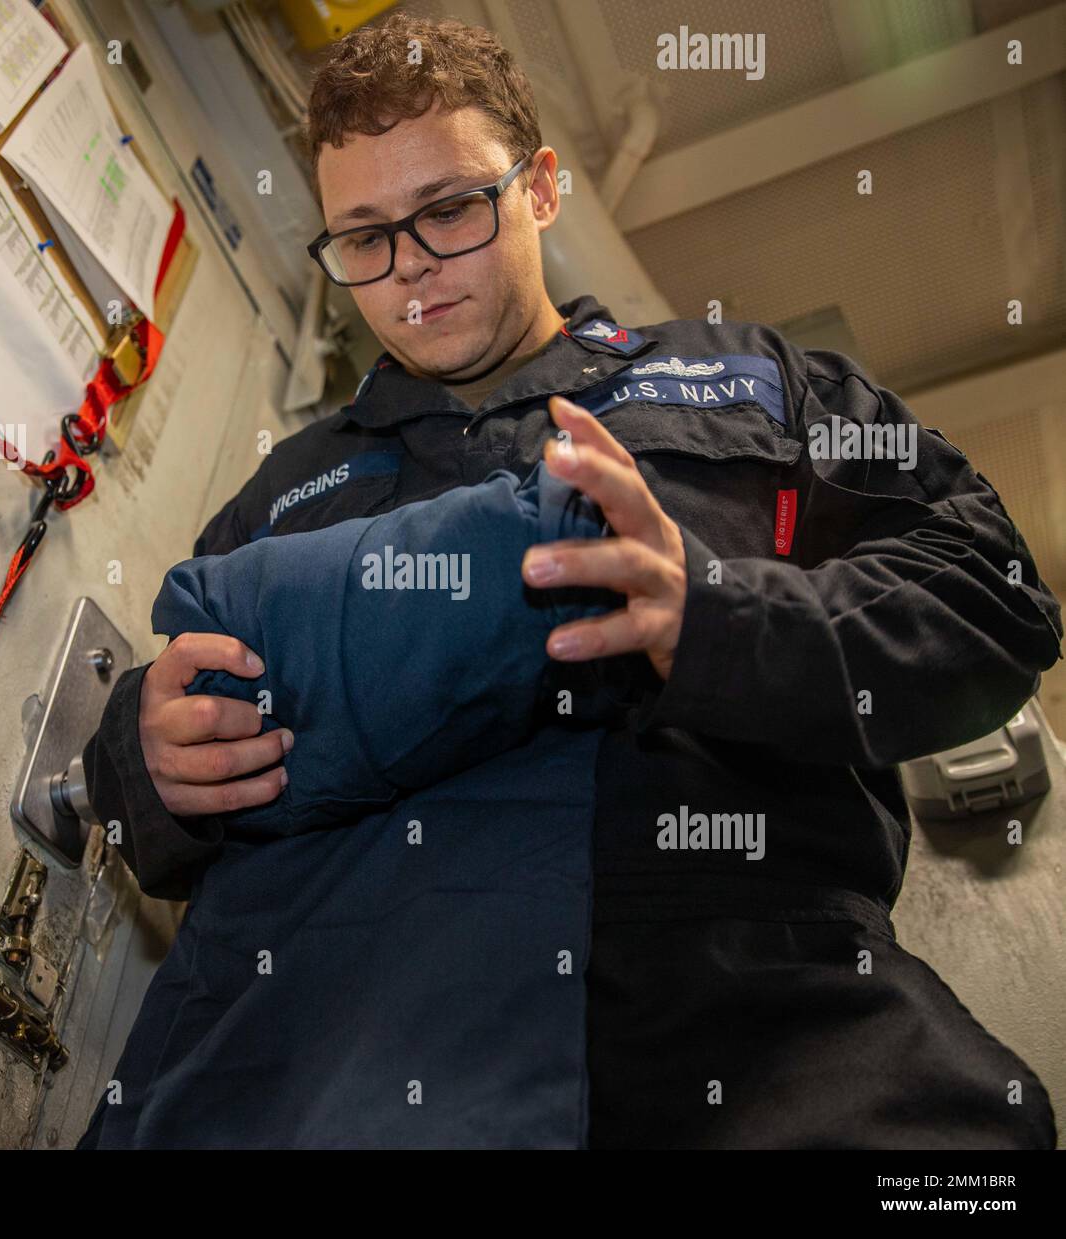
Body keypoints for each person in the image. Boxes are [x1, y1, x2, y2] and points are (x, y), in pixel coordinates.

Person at [77, 13, 1061, 1148]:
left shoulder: (753, 385)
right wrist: (142, 760)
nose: (409, 275)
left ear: (541, 188)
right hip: (337, 1036)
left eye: (449, 210)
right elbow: (168, 749)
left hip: (759, 1013)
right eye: (363, 238)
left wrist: (719, 620)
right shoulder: (283, 490)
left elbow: (987, 587)